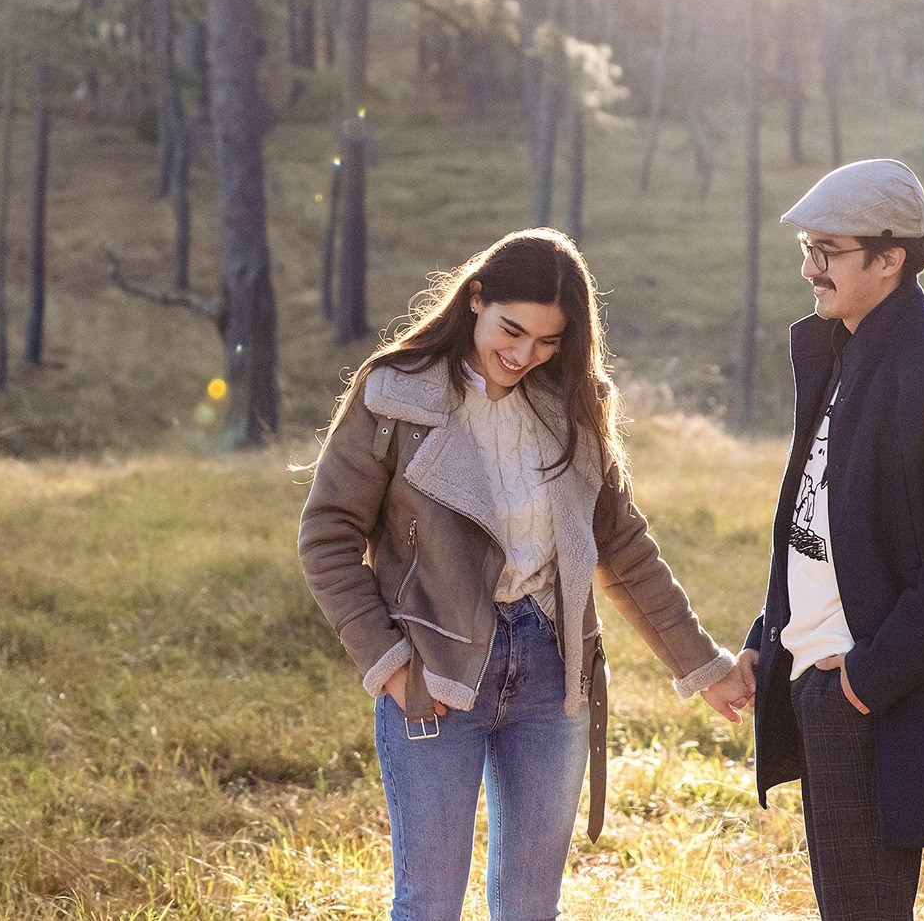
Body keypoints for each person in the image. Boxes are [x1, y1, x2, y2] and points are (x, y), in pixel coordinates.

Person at [299, 228, 751, 921]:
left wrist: (702, 663)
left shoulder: (571, 404)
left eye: (548, 340)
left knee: (532, 908)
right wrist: (389, 665)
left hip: (551, 675)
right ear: (476, 297)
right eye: (512, 330)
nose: (523, 354)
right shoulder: (393, 396)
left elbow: (623, 547)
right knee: (428, 906)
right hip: (436, 671)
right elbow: (327, 536)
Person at [735, 159, 924, 921]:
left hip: (869, 694)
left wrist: (865, 678)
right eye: (806, 249)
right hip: (814, 671)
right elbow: (819, 524)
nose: (809, 269)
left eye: (828, 250)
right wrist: (770, 633)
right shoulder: (843, 349)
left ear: (890, 257)